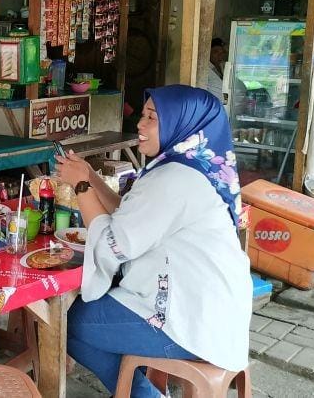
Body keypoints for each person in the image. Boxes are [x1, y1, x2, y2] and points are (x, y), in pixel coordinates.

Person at [55, 85, 251, 398]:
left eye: (152, 118)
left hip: (189, 319)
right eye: (143, 115)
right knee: (102, 319)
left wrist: (80, 186)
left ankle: (145, 395)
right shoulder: (189, 167)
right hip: (213, 310)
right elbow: (128, 214)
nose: (140, 125)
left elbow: (112, 243)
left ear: (180, 123)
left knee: (73, 326)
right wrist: (91, 177)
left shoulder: (175, 178)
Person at [207, 37, 228, 104]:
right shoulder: (205, 69)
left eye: (222, 52)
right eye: (215, 52)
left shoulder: (223, 66)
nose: (220, 55)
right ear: (208, 52)